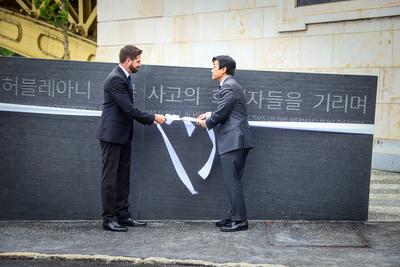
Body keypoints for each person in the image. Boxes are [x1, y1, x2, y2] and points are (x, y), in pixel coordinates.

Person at [97, 45, 166, 232]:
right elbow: (128, 109)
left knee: (122, 178)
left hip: (123, 136)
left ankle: (123, 216)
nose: (140, 65)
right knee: (110, 179)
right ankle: (109, 219)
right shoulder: (115, 79)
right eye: (138, 61)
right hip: (112, 136)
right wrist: (153, 118)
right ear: (128, 61)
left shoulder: (123, 77)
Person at [197, 55, 253, 232]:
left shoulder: (228, 86)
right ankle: (234, 216)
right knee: (233, 181)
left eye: (214, 66)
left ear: (224, 70)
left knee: (232, 182)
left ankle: (239, 220)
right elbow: (227, 110)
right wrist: (208, 114)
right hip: (237, 139)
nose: (211, 70)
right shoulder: (230, 86)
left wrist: (208, 122)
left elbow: (222, 113)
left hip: (234, 140)